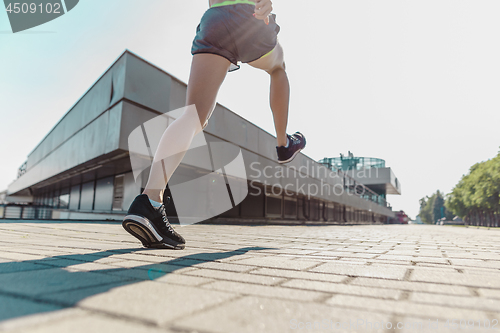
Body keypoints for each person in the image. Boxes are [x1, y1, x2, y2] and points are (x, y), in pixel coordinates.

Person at [122, 0, 306, 250]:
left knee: (193, 116)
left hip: (215, 19)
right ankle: (284, 144)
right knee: (277, 66)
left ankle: (149, 202)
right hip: (249, 16)